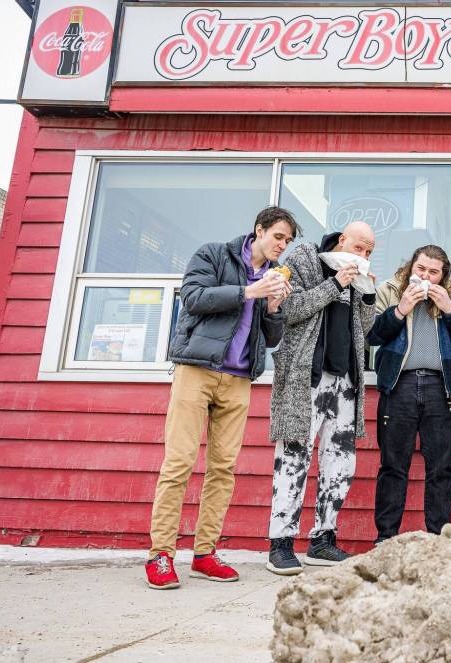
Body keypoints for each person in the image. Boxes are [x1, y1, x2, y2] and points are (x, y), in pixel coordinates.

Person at [145, 206, 296, 589]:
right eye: (279, 236)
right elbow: (193, 298)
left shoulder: (272, 279)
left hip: (239, 379)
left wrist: (274, 309)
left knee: (223, 469)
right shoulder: (213, 254)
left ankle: (204, 554)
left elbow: (271, 338)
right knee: (178, 463)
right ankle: (161, 555)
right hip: (196, 370)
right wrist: (249, 291)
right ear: (259, 230)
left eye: (289, 241)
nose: (283, 245)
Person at [265, 221, 377, 575]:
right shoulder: (305, 257)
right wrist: (335, 284)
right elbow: (290, 308)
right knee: (293, 458)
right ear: (342, 239)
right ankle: (280, 544)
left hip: (344, 381)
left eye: (369, 252)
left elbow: (364, 329)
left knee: (341, 462)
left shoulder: (357, 276)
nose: (363, 256)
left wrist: (369, 295)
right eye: (359, 248)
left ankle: (322, 540)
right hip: (305, 379)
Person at [366, 245, 451, 542]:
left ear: (443, 275)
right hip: (398, 385)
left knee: (441, 468)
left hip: (442, 388)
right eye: (421, 269)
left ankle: (438, 537)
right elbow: (372, 333)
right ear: (412, 265)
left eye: (433, 272)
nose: (425, 276)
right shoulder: (389, 289)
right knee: (392, 465)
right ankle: (385, 537)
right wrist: (400, 309)